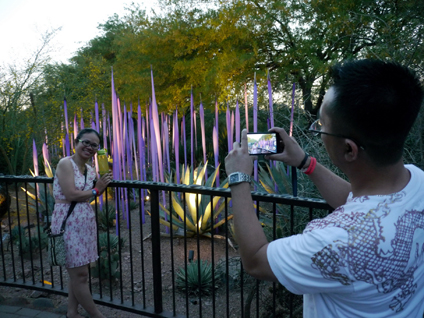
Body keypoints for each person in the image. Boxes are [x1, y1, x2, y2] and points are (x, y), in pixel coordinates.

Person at [225, 59, 424, 317]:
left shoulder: (334, 241)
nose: (318, 132)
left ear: (349, 149)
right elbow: (362, 207)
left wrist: (239, 177)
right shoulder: (417, 181)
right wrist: (305, 162)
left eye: (321, 126)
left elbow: (255, 260)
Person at [51, 128, 112, 318]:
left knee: (78, 272)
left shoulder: (91, 169)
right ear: (76, 142)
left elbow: (86, 197)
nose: (90, 147)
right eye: (86, 142)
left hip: (85, 224)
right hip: (67, 223)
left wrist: (100, 185)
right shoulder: (65, 164)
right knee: (81, 276)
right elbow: (71, 195)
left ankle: (72, 313)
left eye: (94, 145)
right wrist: (97, 190)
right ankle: (97, 316)